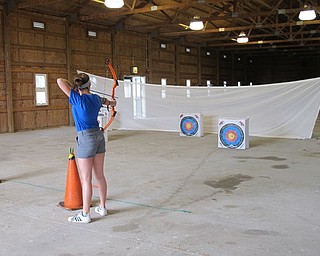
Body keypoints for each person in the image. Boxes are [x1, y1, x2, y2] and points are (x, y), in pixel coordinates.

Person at [57, 73, 116, 223]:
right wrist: (111, 103)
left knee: (86, 179)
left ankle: (85, 214)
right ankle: (102, 208)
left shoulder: (77, 98)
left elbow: (60, 80)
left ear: (78, 87)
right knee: (100, 175)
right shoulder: (96, 99)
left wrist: (75, 89)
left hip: (85, 138)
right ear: (89, 85)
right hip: (99, 136)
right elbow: (107, 102)